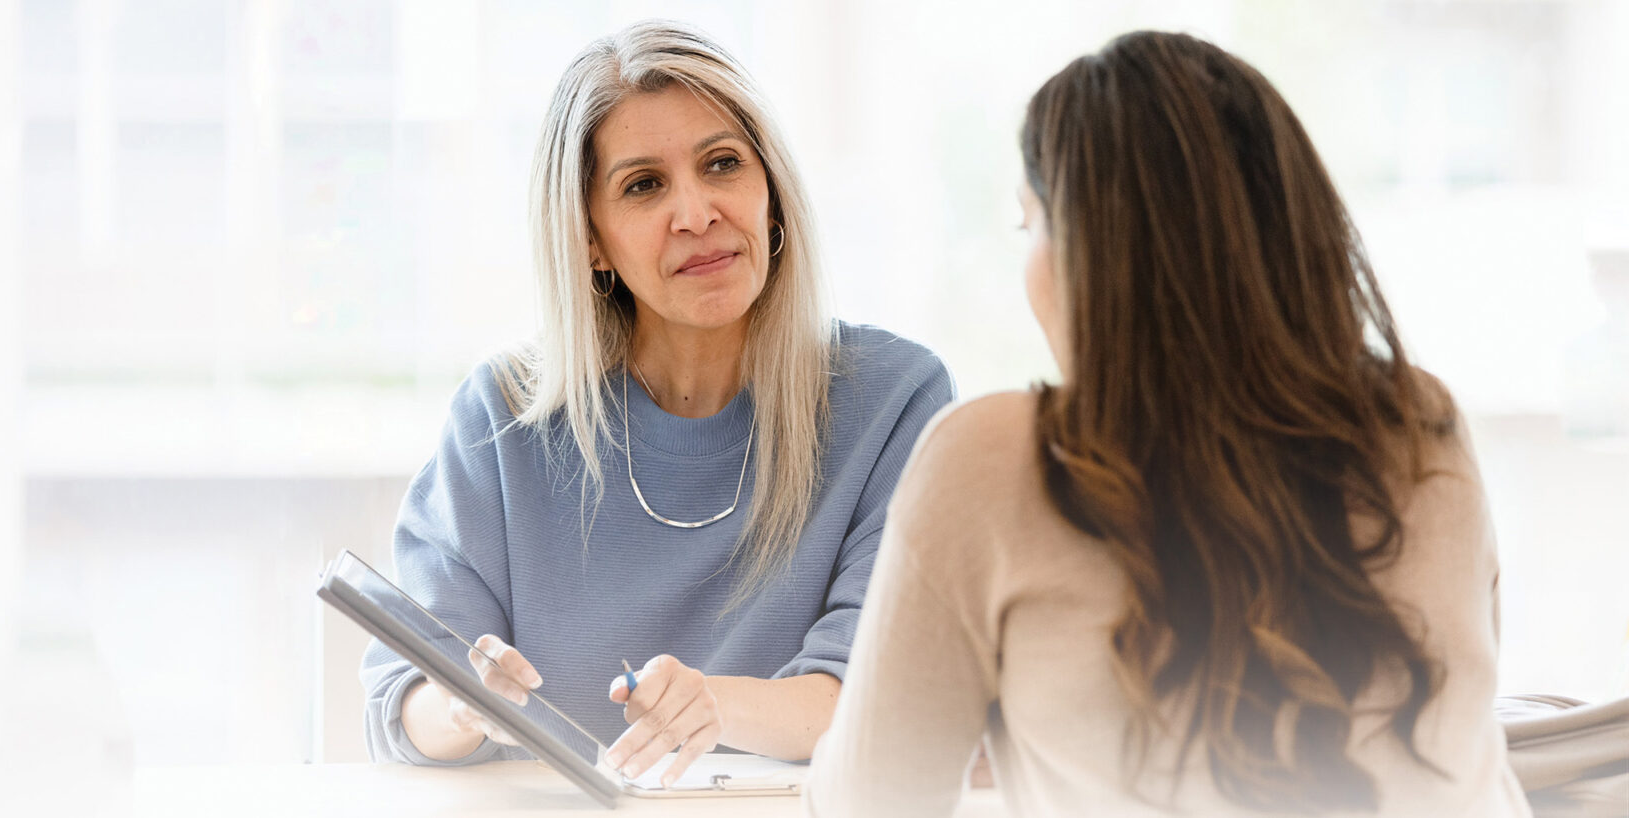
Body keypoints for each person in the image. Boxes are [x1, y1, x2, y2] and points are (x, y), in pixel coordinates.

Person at [805, 31, 1529, 816]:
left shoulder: (990, 460)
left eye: (1030, 227)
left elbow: (868, 803)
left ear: (1086, 250)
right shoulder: (1421, 422)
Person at [361, 20, 954, 789]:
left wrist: (715, 705)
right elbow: (397, 702)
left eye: (723, 165)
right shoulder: (503, 415)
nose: (697, 212)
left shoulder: (894, 401)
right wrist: (461, 702)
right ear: (590, 240)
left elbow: (883, 694)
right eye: (644, 185)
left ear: (771, 194)